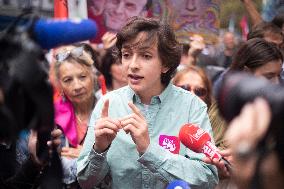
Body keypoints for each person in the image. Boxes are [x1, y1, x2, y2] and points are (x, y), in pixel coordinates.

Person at [77, 17, 218, 189]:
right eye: (126, 55)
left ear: (165, 64)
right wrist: (99, 149)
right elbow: (85, 181)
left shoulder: (192, 106)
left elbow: (208, 177)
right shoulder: (107, 104)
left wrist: (149, 150)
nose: (133, 65)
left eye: (146, 56)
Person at [53, 43, 98, 188]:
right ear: (60, 85)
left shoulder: (110, 110)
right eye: (68, 80)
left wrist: (88, 156)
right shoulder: (52, 117)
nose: (77, 86)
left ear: (93, 76)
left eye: (82, 77)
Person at [172, 66, 227, 149]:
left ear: (207, 97)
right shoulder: (158, 116)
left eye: (199, 91)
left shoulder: (217, 123)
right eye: (185, 89)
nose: (192, 95)